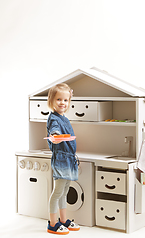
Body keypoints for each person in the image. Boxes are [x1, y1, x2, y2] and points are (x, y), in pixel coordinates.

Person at [46, 83, 80, 235]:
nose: (62, 103)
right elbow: (54, 130)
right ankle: (53, 224)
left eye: (65, 100)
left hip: (68, 159)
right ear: (51, 101)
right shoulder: (54, 118)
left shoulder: (64, 118)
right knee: (58, 191)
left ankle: (63, 220)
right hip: (61, 159)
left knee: (65, 191)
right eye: (58, 99)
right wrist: (55, 136)